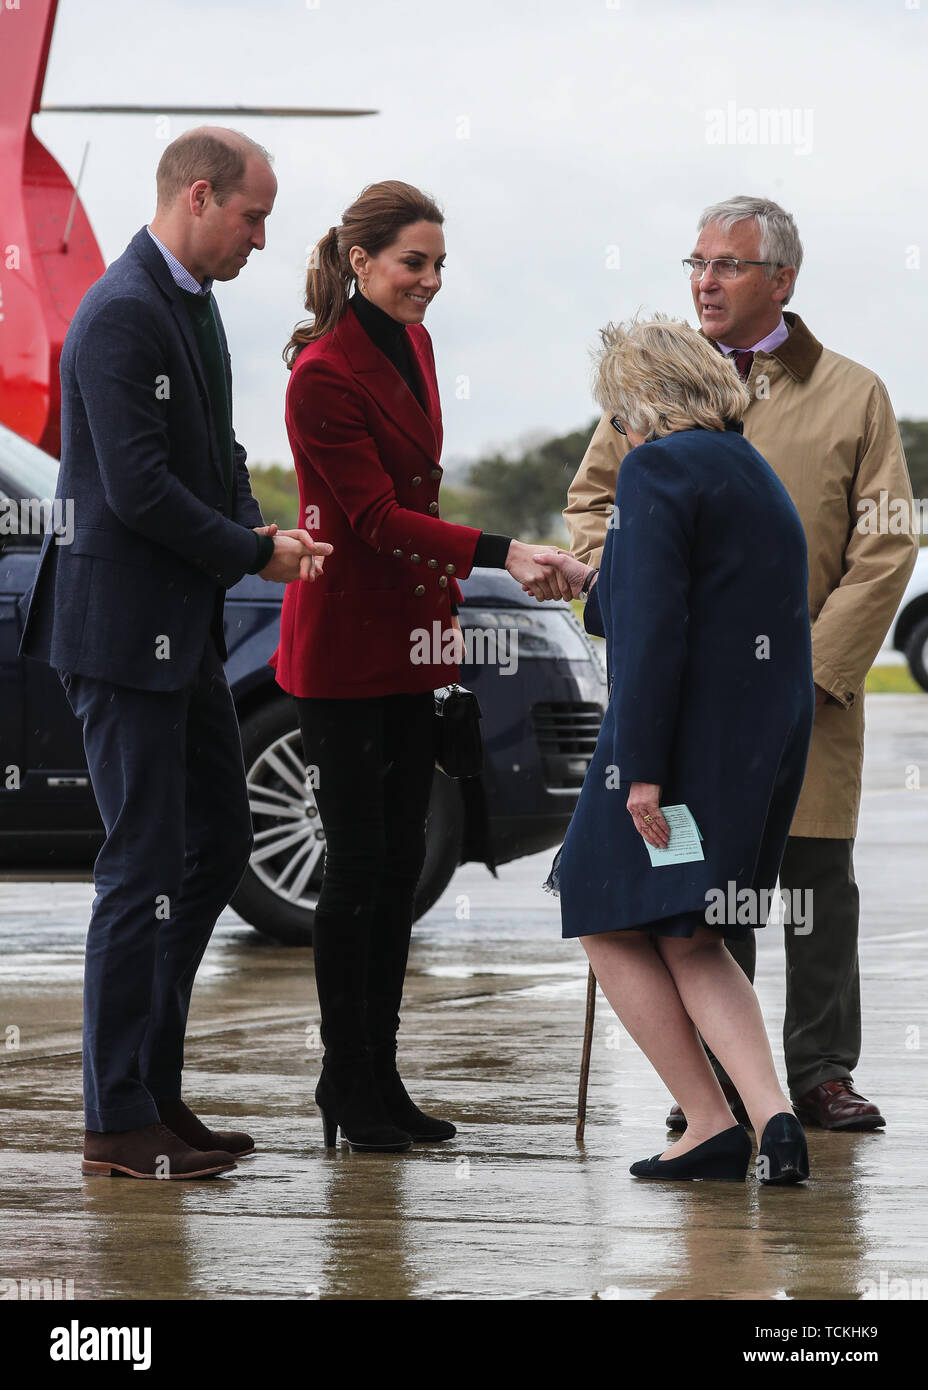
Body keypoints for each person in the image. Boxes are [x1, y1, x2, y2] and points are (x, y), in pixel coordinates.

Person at [564, 197, 917, 1133]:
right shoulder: (656, 396)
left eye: (728, 265)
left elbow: (887, 542)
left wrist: (815, 665)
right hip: (690, 701)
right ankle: (723, 1090)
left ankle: (820, 1073)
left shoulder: (855, 392)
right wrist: (621, 601)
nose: (705, 281)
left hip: (809, 692)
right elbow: (593, 508)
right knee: (699, 896)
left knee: (811, 881)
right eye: (697, 262)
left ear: (782, 281)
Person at [20, 127, 331, 1180]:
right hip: (120, 634)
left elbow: (219, 455)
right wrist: (253, 550)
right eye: (254, 216)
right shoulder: (118, 315)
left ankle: (152, 1087)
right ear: (199, 197)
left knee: (215, 841)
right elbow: (141, 489)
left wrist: (261, 524)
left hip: (180, 628)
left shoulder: (191, 307)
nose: (261, 238)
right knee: (140, 865)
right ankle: (115, 1123)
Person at [273, 180, 570, 1153]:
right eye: (414, 263)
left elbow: (413, 498)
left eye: (440, 264)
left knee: (399, 870)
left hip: (413, 644)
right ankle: (342, 1083)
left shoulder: (420, 345)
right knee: (356, 872)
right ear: (360, 262)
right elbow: (369, 520)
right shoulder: (320, 373)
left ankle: (380, 1078)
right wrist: (505, 549)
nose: (430, 281)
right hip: (346, 652)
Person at [538, 316, 814, 1182]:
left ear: (640, 402)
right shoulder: (748, 464)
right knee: (699, 933)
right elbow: (683, 596)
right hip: (761, 739)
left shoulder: (655, 467)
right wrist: (594, 581)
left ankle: (706, 1120)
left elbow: (654, 635)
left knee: (595, 904)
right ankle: (773, 1119)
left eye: (616, 416)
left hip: (675, 745)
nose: (617, 432)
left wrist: (644, 774)